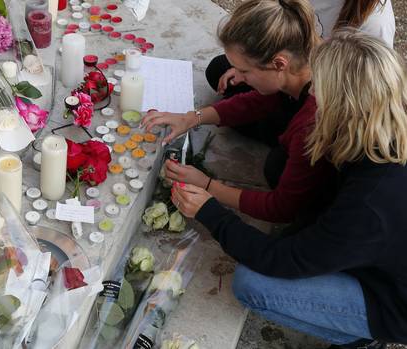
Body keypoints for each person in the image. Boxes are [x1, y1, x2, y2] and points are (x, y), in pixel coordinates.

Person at [172, 30, 407, 349]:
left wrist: (211, 212)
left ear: (340, 106)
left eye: (318, 94)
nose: (312, 101)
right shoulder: (383, 124)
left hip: (393, 301)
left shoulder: (371, 202)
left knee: (252, 284)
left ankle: (360, 336)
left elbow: (280, 260)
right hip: (381, 249)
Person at [142, 0, 335, 225]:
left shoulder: (310, 125)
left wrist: (208, 186)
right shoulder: (302, 66)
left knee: (276, 166)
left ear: (279, 64)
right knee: (222, 73)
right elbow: (258, 101)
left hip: (329, 199)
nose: (239, 78)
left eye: (244, 71)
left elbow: (281, 208)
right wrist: (192, 118)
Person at [207, 0, 395, 98]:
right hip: (287, 70)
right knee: (219, 70)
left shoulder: (375, 23)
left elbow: (362, 93)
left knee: (277, 163)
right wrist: (248, 63)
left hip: (323, 96)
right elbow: (270, 25)